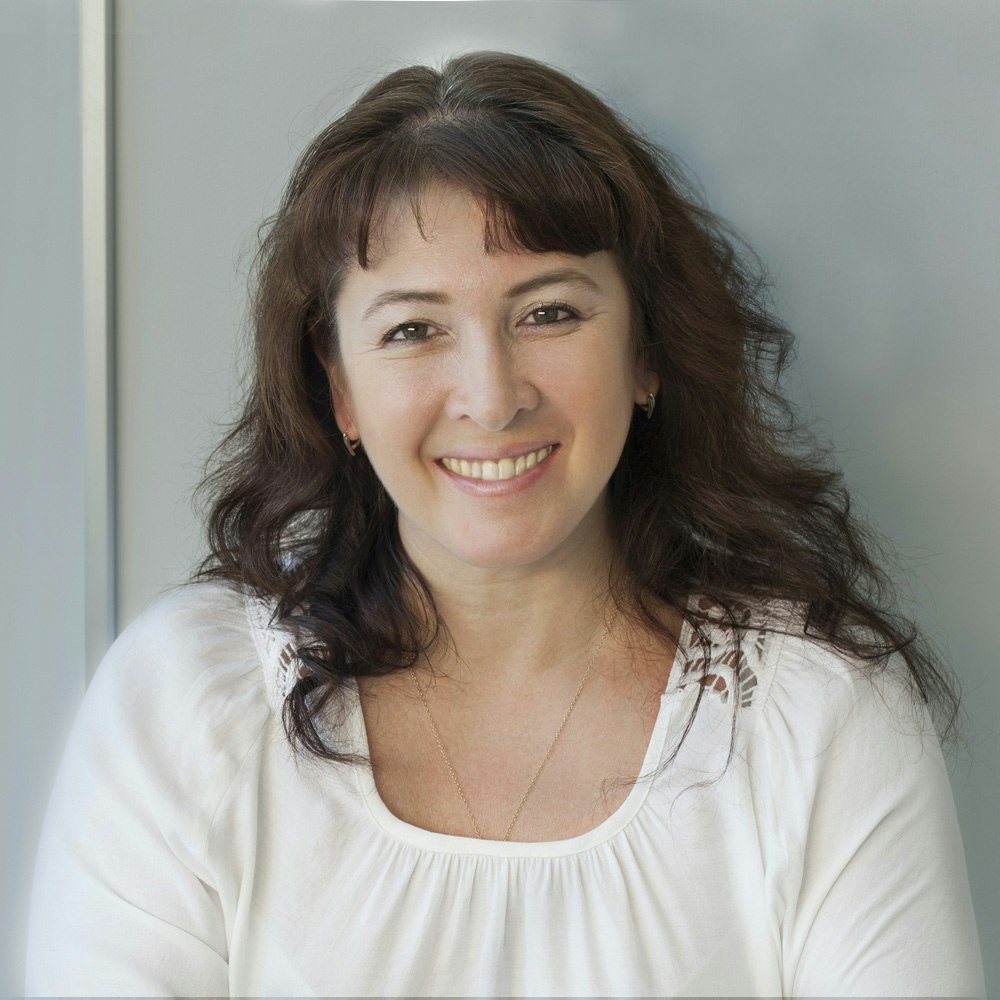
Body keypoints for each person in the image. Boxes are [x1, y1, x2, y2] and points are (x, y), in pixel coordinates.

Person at [26, 51, 985, 997]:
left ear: (646, 353)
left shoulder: (818, 718)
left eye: (550, 312)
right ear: (340, 389)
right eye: (414, 329)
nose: (491, 397)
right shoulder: (187, 709)